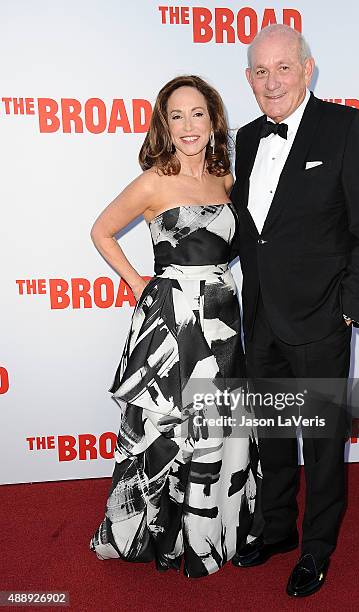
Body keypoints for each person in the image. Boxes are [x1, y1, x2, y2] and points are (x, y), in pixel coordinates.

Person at [230, 25, 359, 597]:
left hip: (322, 316)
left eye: (282, 68)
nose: (271, 82)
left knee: (322, 441)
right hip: (262, 318)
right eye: (259, 71)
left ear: (308, 68)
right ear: (248, 79)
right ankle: (276, 528)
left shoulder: (348, 128)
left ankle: (316, 548)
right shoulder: (245, 139)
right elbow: (253, 234)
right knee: (274, 433)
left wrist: (349, 308)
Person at [89, 75, 260, 578]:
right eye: (177, 115)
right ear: (164, 124)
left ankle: (214, 529)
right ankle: (162, 534)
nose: (189, 126)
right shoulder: (153, 181)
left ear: (213, 121)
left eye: (198, 114)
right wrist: (137, 282)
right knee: (167, 427)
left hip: (223, 315)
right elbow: (101, 231)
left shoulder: (226, 179)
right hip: (172, 319)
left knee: (218, 423)